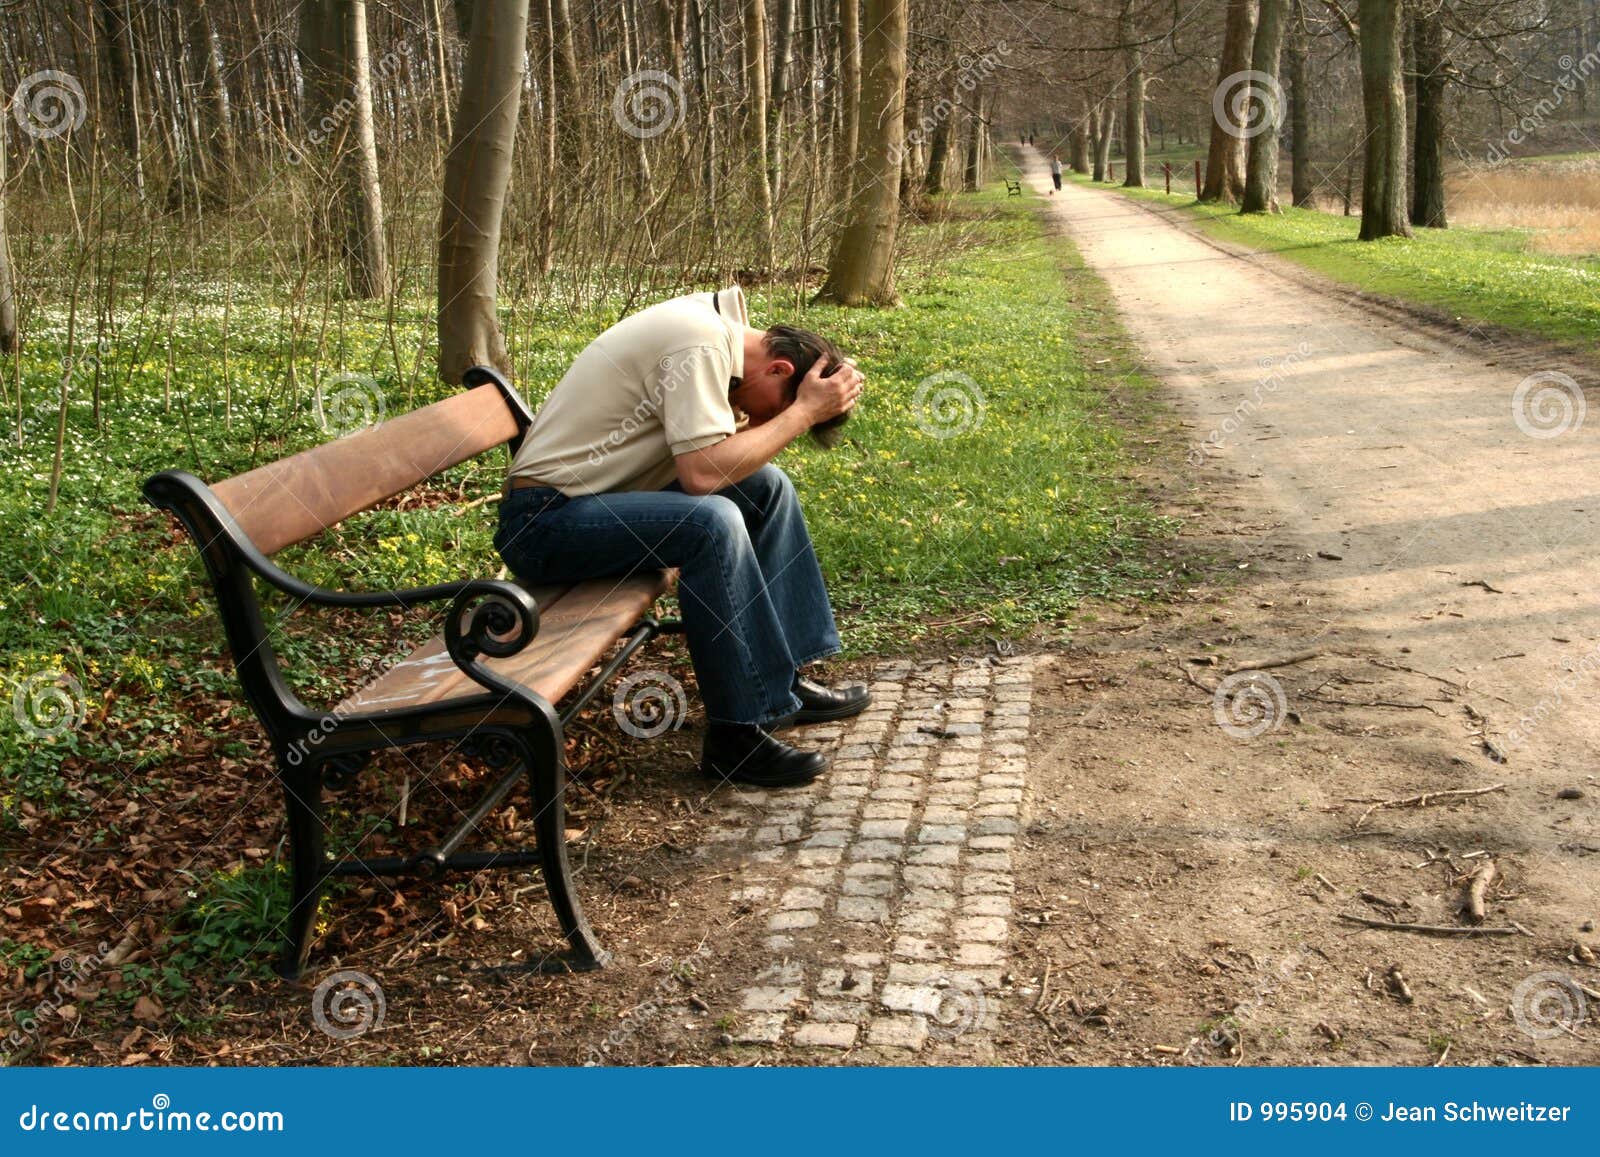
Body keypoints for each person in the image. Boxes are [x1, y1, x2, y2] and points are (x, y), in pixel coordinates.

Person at [494, 286, 869, 789]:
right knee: (712, 522)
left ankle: (783, 682)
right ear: (779, 369)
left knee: (765, 487)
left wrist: (796, 411)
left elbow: (724, 464)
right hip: (546, 525)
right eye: (778, 409)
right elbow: (704, 476)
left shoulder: (716, 337)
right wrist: (803, 414)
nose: (768, 424)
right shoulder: (700, 345)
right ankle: (736, 737)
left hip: (595, 506)